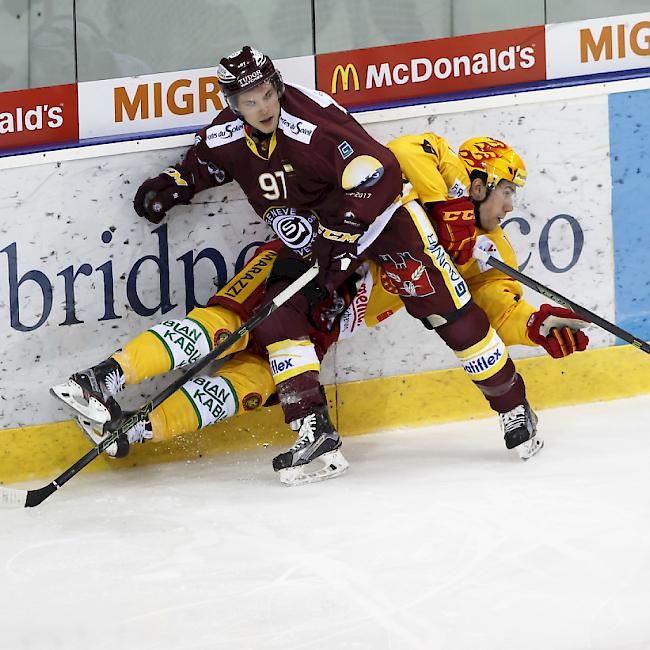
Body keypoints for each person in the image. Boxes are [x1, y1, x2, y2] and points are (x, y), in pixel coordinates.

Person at [51, 45, 547, 484]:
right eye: (249, 101)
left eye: (267, 94)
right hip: (315, 240)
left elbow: (380, 171)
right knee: (280, 316)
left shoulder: (310, 123)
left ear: (278, 87)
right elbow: (207, 162)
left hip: (382, 224)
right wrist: (175, 183)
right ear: (232, 105)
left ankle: (513, 407)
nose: (263, 107)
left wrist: (347, 229)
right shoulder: (229, 133)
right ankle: (314, 431)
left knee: (446, 312)